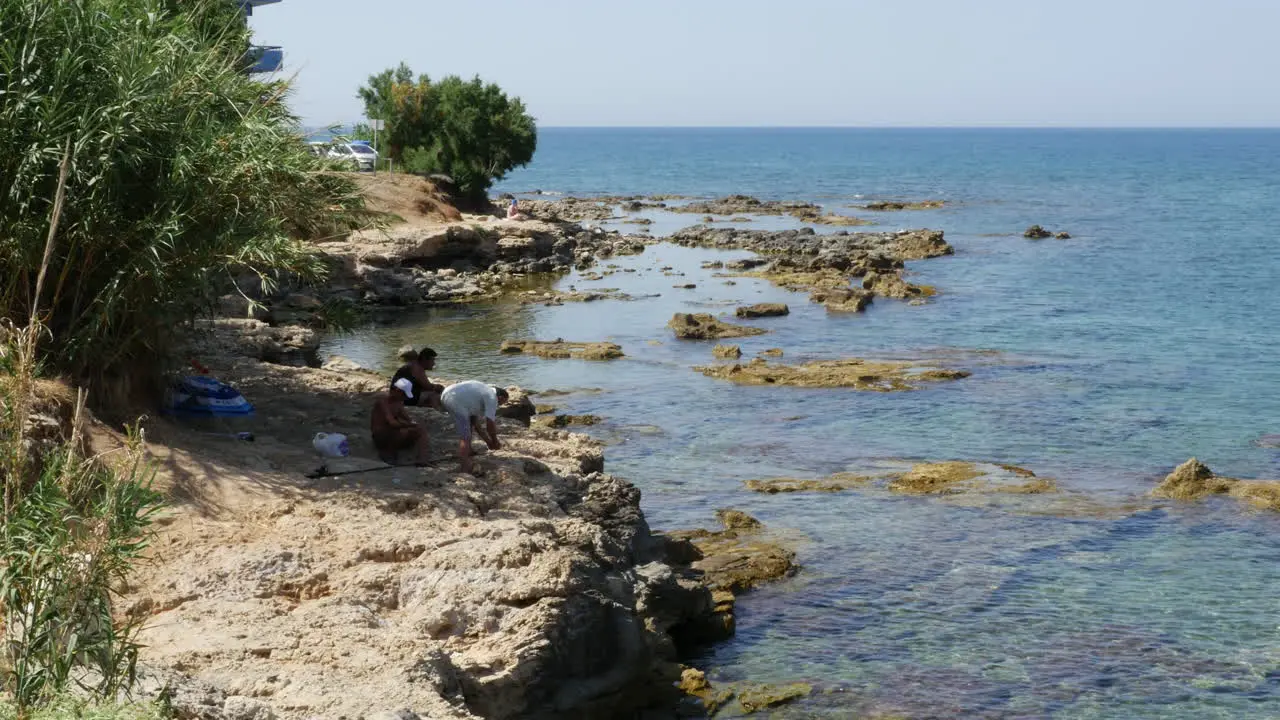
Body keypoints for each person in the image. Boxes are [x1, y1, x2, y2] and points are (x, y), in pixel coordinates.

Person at [440, 381, 510, 474]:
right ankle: (465, 466)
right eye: (500, 403)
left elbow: (475, 423)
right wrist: (495, 441)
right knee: (465, 436)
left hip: (446, 394)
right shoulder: (492, 398)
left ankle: (469, 450)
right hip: (455, 400)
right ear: (500, 397)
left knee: (469, 424)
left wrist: (488, 442)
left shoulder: (483, 392)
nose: (499, 406)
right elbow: (490, 424)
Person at [371, 377, 431, 465]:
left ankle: (422, 459)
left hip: (392, 434)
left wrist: (413, 424)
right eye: (403, 395)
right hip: (381, 436)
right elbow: (392, 422)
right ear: (397, 390)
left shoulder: (398, 403)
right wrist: (407, 424)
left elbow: (407, 418)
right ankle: (387, 453)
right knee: (401, 431)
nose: (405, 398)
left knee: (420, 430)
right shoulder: (383, 401)